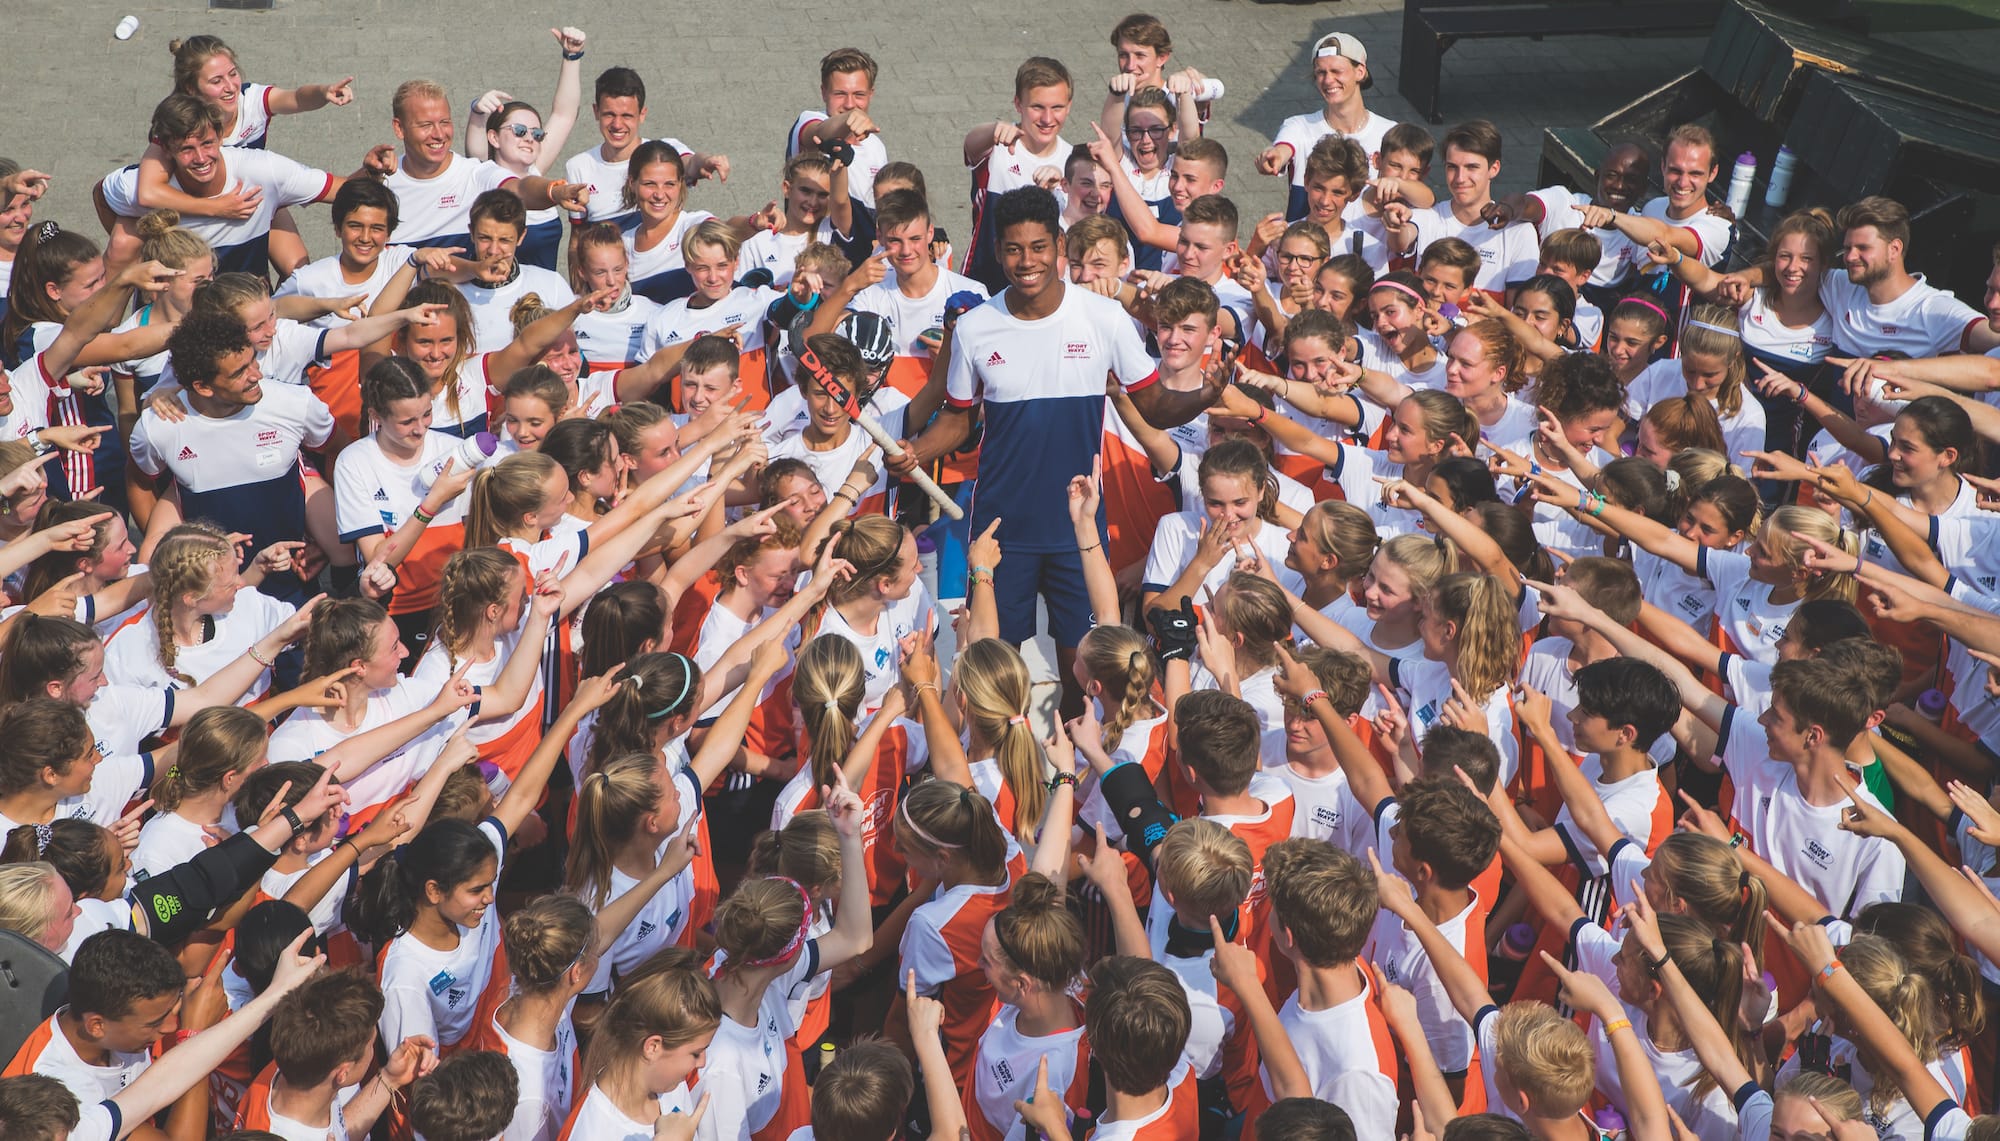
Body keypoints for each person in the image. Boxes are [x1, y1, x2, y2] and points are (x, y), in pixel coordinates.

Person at [889, 188, 1213, 706]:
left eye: (1038, 247)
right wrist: (916, 452)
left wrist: (1206, 395)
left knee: (1087, 676)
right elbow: (957, 420)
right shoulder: (974, 328)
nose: (1027, 261)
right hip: (1001, 530)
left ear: (1059, 246)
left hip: (1077, 528)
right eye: (1014, 249)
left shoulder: (1105, 318)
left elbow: (1154, 406)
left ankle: (1077, 757)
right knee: (992, 680)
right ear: (998, 251)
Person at [1256, 33, 1398, 222]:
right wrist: (1274, 156)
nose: (1328, 80)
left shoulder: (1391, 133)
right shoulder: (1298, 126)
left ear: (1360, 72)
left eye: (1336, 71)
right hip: (1308, 238)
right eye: (1321, 73)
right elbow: (1283, 148)